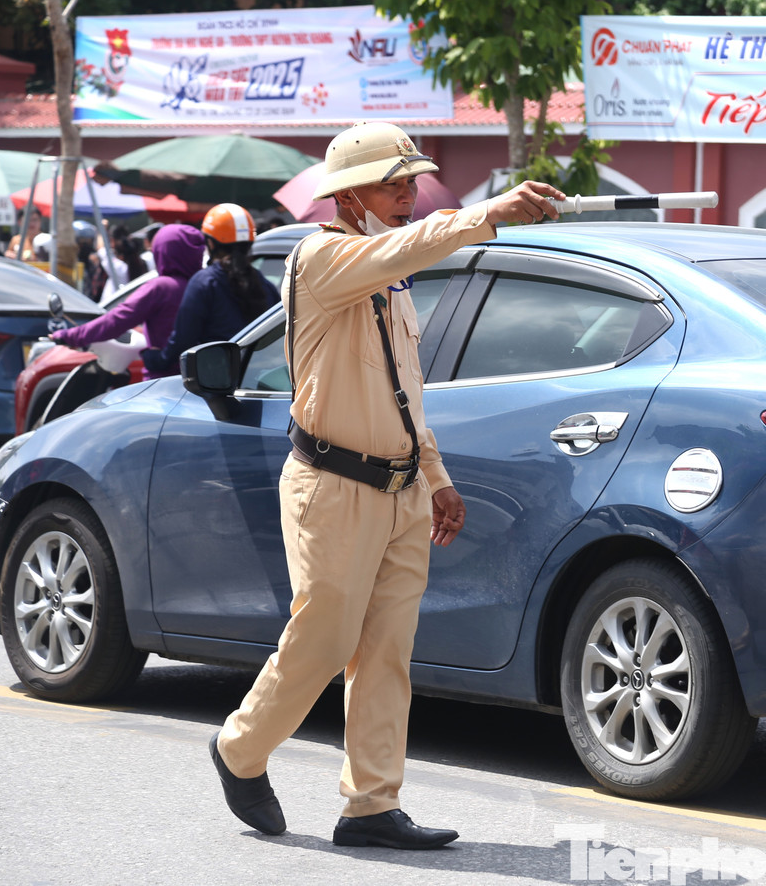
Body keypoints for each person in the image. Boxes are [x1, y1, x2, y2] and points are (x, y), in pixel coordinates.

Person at [209, 121, 562, 849]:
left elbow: (404, 391)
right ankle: (240, 747)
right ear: (349, 193)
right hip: (331, 484)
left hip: (399, 489)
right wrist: (486, 213)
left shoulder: (386, 276)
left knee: (386, 651)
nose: (409, 195)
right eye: (393, 183)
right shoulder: (324, 255)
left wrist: (435, 477)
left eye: (412, 182)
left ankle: (371, 803)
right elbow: (404, 246)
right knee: (326, 634)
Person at [140, 204, 276, 376]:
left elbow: (183, 340)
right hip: (260, 382)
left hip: (217, 385)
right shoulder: (265, 284)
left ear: (210, 242)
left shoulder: (204, 282)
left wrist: (156, 358)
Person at [48, 222, 205, 371]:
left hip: (163, 382)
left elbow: (117, 320)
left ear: (161, 251)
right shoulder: (204, 286)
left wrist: (71, 335)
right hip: (204, 378)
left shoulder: (161, 287)